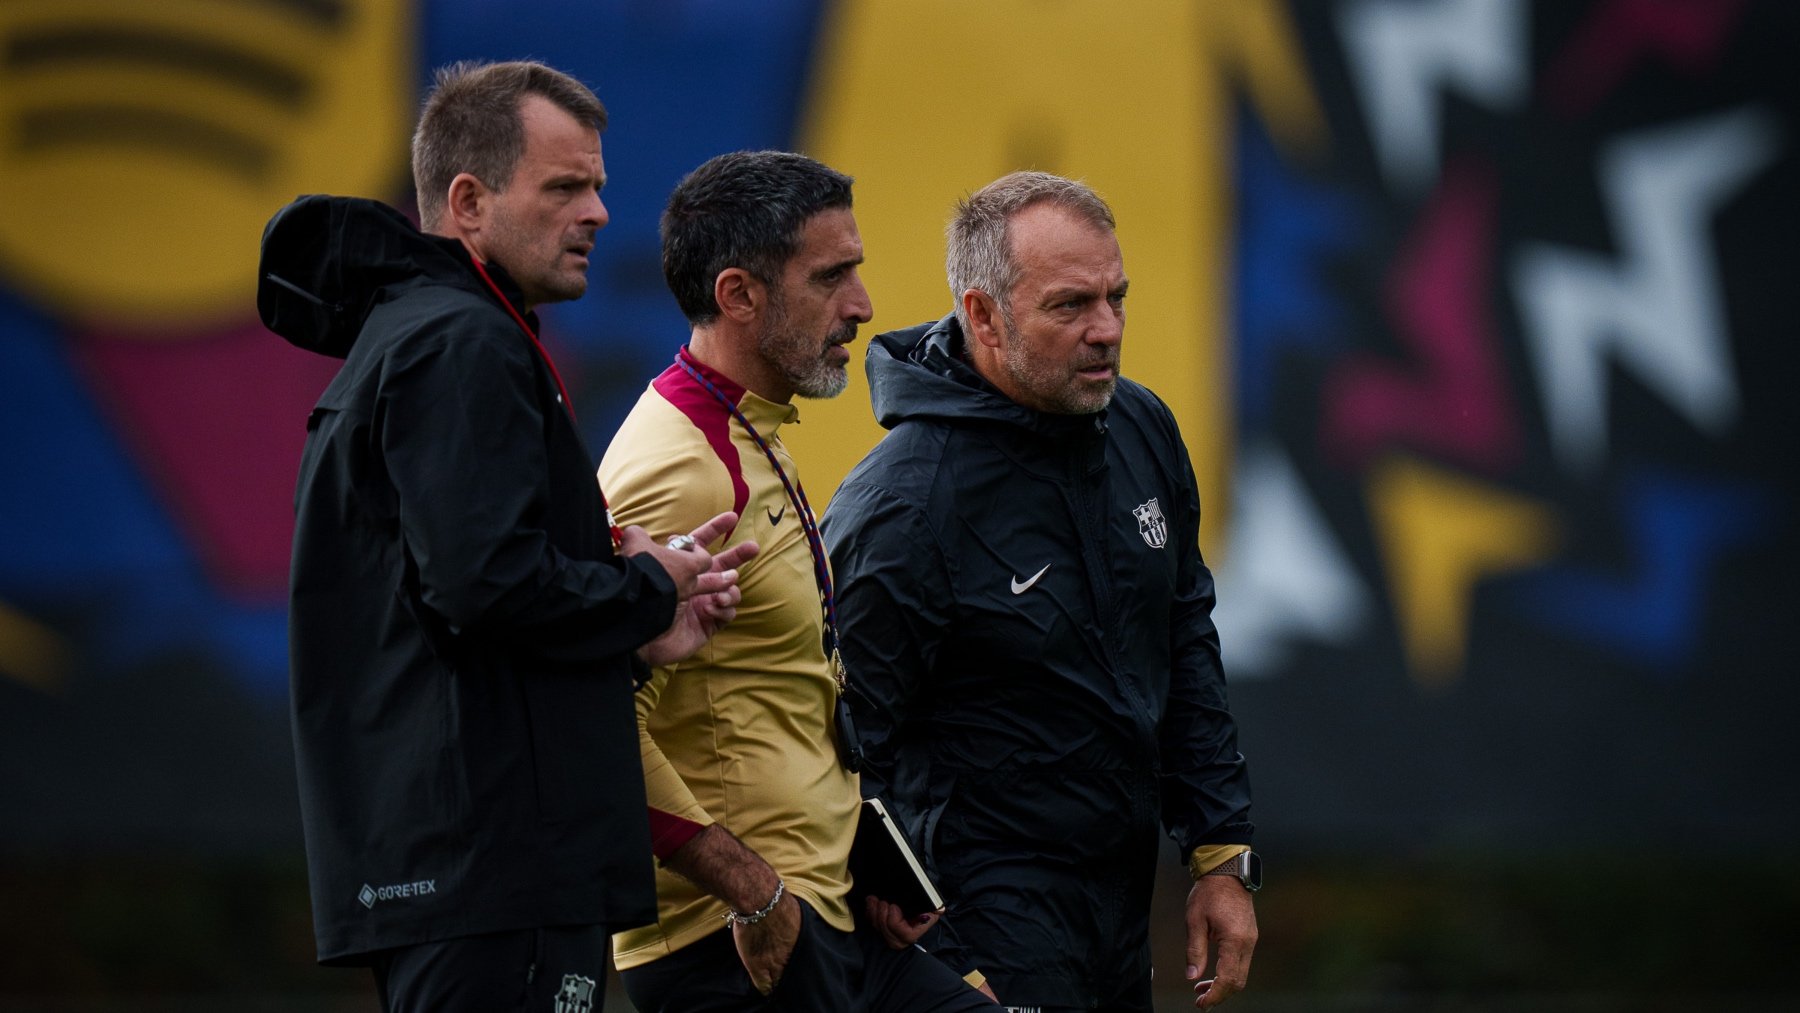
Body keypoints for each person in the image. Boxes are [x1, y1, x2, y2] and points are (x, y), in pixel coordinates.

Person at [257, 60, 754, 1012]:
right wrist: (644, 588)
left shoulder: (417, 333)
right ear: (468, 201)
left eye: (599, 184)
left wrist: (636, 630)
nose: (600, 212)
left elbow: (457, 618)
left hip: (455, 873)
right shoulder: (461, 342)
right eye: (566, 186)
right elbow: (484, 582)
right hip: (490, 874)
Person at [820, 171, 1260, 1012]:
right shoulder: (904, 507)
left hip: (1120, 911)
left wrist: (1222, 852)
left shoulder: (1142, 426)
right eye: (1070, 306)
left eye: (1116, 297)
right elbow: (842, 753)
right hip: (982, 926)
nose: (1107, 330)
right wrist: (939, 959)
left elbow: (1183, 639)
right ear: (982, 314)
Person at [596, 150, 995, 1013]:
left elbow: (777, 695)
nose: (863, 305)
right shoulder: (677, 467)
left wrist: (860, 859)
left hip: (827, 911)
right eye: (832, 277)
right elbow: (588, 718)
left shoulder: (746, 422)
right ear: (739, 295)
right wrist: (754, 889)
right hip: (738, 942)